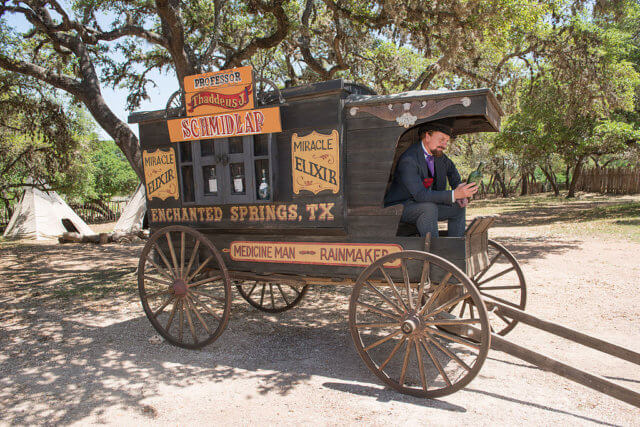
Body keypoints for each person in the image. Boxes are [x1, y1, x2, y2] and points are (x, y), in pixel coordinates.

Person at [384, 121, 478, 237]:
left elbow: (452, 172)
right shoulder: (409, 160)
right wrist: (454, 195)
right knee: (429, 208)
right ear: (428, 136)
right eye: (441, 139)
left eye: (446, 141)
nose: (444, 145)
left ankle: (455, 248)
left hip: (424, 204)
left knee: (458, 208)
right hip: (400, 208)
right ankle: (433, 251)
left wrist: (458, 189)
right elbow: (420, 195)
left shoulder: (439, 156)